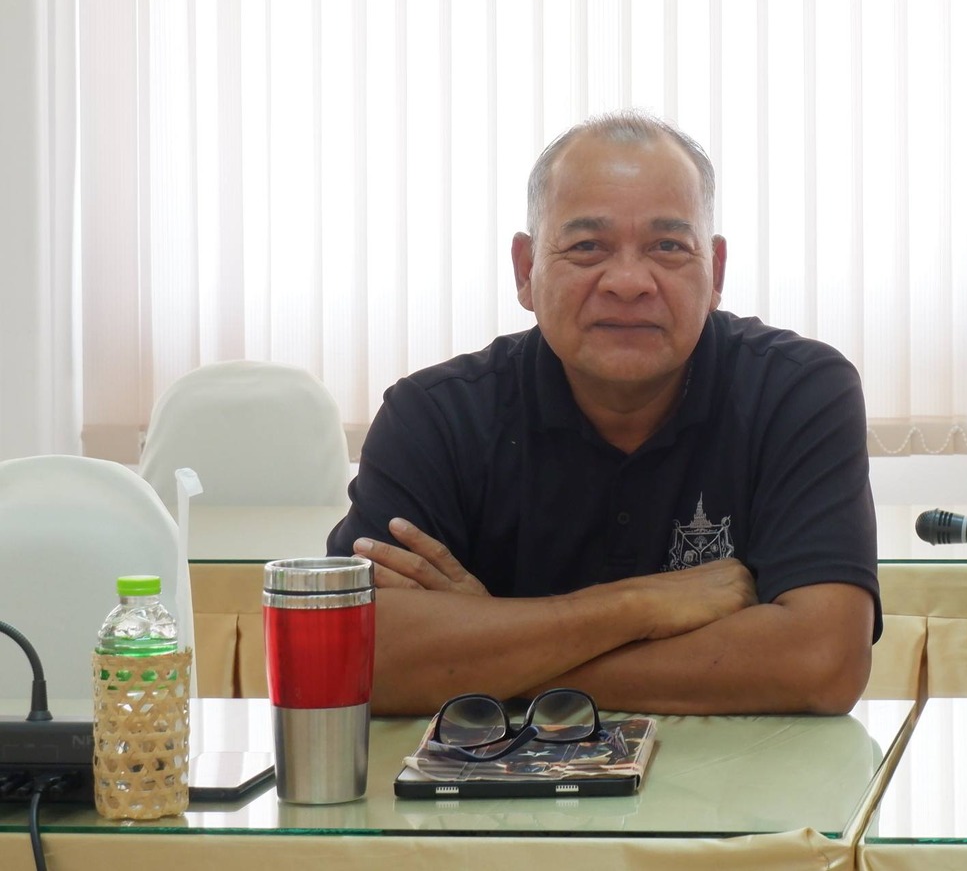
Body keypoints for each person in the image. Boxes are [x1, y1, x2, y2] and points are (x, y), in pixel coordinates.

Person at [328, 111, 878, 716]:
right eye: (587, 247)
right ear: (526, 270)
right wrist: (636, 606)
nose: (628, 281)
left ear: (715, 271)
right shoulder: (435, 416)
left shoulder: (796, 391)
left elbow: (822, 662)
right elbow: (351, 656)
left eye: (668, 247)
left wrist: (491, 648)